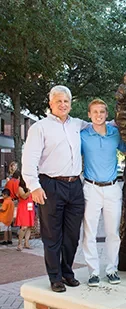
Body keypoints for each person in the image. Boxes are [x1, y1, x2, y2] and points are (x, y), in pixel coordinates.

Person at [22, 85, 88, 293]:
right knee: (52, 236)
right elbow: (29, 159)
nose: (62, 104)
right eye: (58, 101)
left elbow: (101, 124)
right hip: (50, 185)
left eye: (66, 101)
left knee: (72, 235)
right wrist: (34, 186)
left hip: (75, 185)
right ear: (50, 104)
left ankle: (67, 272)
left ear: (71, 103)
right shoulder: (39, 127)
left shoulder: (78, 124)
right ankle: (55, 277)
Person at [81, 99, 126, 287]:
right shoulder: (82, 135)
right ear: (89, 114)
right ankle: (93, 272)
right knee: (89, 233)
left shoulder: (115, 134)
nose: (98, 115)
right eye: (95, 112)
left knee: (113, 232)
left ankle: (111, 269)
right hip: (90, 188)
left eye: (102, 111)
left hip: (112, 188)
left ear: (106, 114)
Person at [14, 174, 35, 251]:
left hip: (30, 207)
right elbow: (24, 196)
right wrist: (29, 191)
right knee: (24, 227)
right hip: (23, 208)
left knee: (29, 226)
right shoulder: (20, 188)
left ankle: (26, 243)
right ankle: (19, 243)